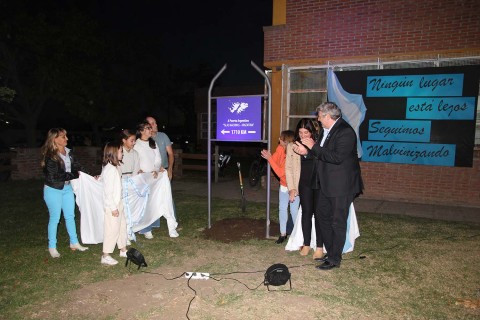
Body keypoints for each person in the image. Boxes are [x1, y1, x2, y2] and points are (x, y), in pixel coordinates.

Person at [294, 102, 363, 270]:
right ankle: (330, 251)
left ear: (327, 116)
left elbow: (336, 157)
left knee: (337, 222)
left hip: (341, 185)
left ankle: (334, 259)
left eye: (319, 116)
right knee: (322, 216)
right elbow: (321, 155)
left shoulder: (345, 132)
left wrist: (313, 147)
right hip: (327, 184)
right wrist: (308, 152)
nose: (318, 119)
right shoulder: (328, 131)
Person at [41, 128, 88, 258]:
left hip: (67, 189)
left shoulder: (69, 152)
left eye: (66, 136)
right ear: (54, 139)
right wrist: (74, 175)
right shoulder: (50, 155)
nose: (66, 139)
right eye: (63, 137)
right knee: (55, 218)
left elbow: (78, 166)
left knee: (70, 216)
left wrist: (88, 176)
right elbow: (54, 176)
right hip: (53, 189)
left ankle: (74, 242)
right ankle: (52, 246)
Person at [286, 119, 324, 260]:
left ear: (311, 132)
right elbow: (288, 168)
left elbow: (322, 159)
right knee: (306, 213)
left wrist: (309, 150)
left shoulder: (318, 144)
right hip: (304, 183)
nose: (303, 136)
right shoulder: (292, 146)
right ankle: (306, 244)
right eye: (300, 132)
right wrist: (292, 188)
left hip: (319, 183)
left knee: (319, 214)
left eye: (306, 132)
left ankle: (319, 247)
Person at [134, 121, 179, 238]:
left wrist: (156, 169)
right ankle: (146, 228)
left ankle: (171, 226)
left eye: (150, 127)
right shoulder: (137, 144)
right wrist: (139, 170)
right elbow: (136, 160)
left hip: (155, 176)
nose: (150, 130)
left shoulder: (153, 143)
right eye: (148, 128)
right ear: (142, 131)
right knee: (145, 203)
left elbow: (158, 158)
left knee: (163, 199)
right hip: (143, 178)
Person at [261, 130, 299, 244]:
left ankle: (297, 235)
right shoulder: (280, 149)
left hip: (294, 187)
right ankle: (283, 233)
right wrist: (271, 157)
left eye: (281, 139)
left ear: (286, 141)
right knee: (282, 209)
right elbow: (275, 163)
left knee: (294, 211)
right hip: (283, 185)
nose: (279, 140)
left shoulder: (292, 153)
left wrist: (270, 159)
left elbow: (281, 173)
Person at [100, 141, 128, 265]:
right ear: (114, 153)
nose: (122, 153)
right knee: (112, 230)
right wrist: (113, 208)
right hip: (113, 206)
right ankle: (105, 255)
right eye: (121, 151)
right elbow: (108, 192)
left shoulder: (115, 167)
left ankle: (123, 249)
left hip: (118, 203)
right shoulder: (110, 170)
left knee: (122, 226)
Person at [145, 116, 174, 180]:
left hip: (163, 170)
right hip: (150, 172)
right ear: (147, 127)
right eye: (153, 123)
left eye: (155, 123)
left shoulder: (163, 136)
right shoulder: (145, 139)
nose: (156, 125)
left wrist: (170, 169)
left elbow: (170, 154)